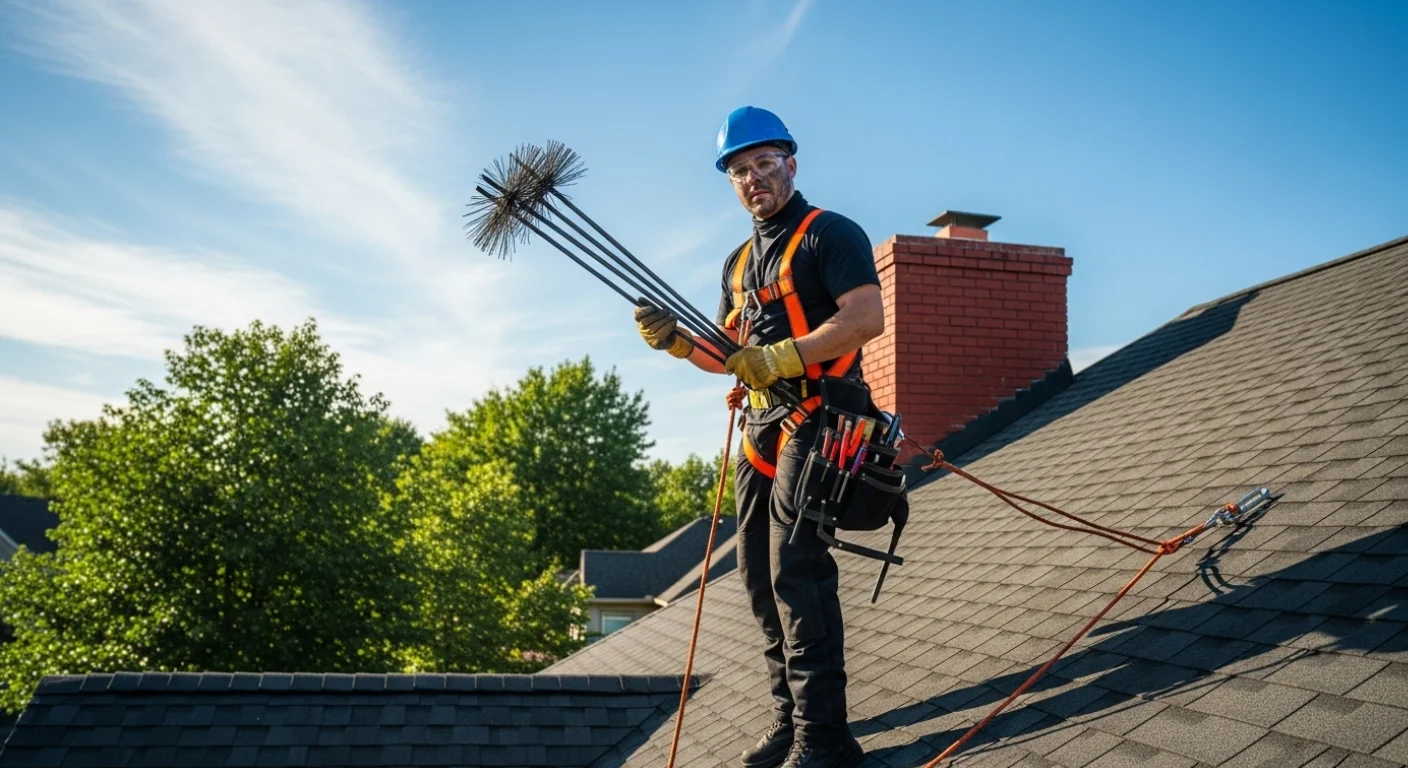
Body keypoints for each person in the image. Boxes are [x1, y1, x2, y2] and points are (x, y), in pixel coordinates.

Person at [633, 106, 884, 768]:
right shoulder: (739, 263)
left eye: (764, 164)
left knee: (797, 571)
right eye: (739, 170)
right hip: (763, 427)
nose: (753, 178)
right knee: (754, 577)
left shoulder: (829, 234)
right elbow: (729, 353)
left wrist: (783, 359)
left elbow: (865, 319)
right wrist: (680, 344)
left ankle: (826, 742)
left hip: (830, 416)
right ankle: (791, 721)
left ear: (791, 165)